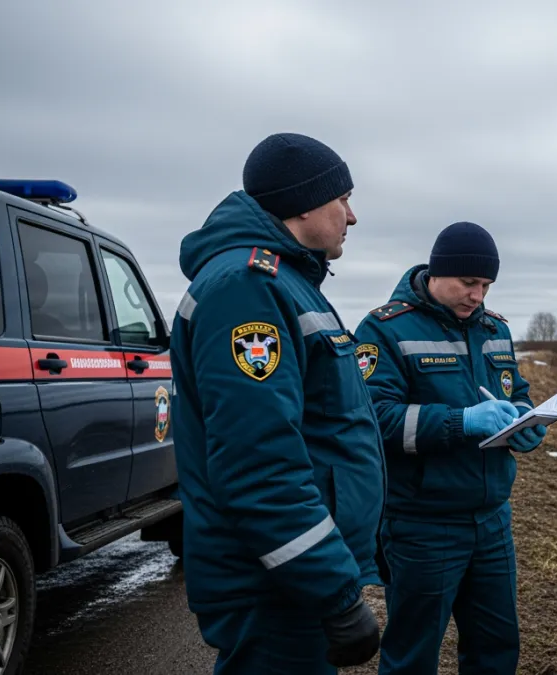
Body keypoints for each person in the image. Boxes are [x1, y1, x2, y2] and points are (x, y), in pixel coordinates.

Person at [170, 132, 387, 674]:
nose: (352, 216)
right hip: (274, 587)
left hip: (290, 580)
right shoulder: (248, 288)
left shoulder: (287, 281)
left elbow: (327, 430)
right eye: (343, 199)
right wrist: (334, 592)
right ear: (304, 204)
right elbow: (258, 465)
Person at [354, 221, 546, 674]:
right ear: (437, 273)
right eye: (468, 283)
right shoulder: (385, 329)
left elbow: (514, 389)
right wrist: (462, 422)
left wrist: (528, 420)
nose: (478, 295)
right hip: (423, 524)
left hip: (493, 520)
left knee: (496, 648)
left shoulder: (494, 328)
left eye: (486, 285)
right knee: (412, 655)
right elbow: (374, 420)